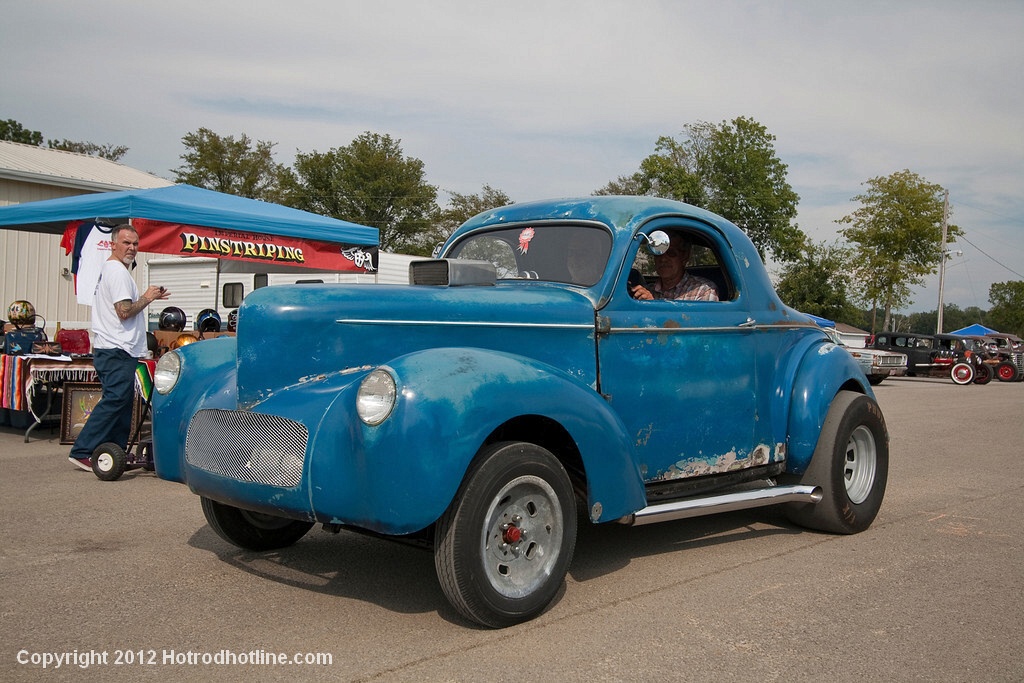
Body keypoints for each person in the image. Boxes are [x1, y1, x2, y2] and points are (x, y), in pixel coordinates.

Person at [68, 225, 170, 471]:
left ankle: (115, 452)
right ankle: (82, 450)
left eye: (135, 243)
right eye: (126, 243)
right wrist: (147, 298)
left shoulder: (115, 271)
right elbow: (124, 312)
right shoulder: (116, 272)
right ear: (113, 244)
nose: (132, 248)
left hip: (118, 348)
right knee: (115, 399)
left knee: (123, 401)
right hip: (115, 348)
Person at [630, 232, 719, 302]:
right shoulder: (648, 290)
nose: (663, 259)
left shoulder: (703, 290)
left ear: (684, 256)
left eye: (671, 253)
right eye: (658, 253)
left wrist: (652, 304)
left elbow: (699, 324)